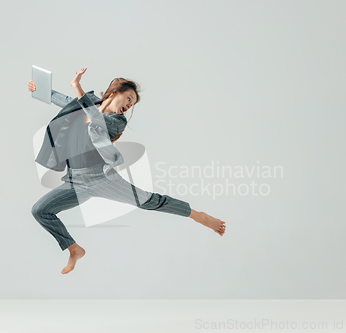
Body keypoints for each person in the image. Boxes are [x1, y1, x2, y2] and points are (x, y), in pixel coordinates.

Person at [29, 68, 226, 274]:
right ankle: (74, 248)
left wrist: (77, 86)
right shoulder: (87, 105)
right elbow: (66, 101)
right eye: (129, 98)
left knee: (150, 201)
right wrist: (40, 89)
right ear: (114, 93)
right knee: (40, 211)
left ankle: (199, 216)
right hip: (75, 182)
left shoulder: (117, 121)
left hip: (102, 179)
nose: (130, 105)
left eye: (132, 103)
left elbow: (95, 119)